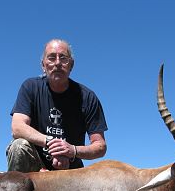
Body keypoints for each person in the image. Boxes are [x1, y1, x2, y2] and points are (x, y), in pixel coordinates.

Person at [6, 39, 108, 172]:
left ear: (71, 65)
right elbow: (17, 128)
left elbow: (100, 146)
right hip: (36, 169)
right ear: (43, 65)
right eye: (51, 58)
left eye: (63, 58)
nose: (58, 63)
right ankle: (19, 188)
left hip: (70, 172)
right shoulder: (30, 87)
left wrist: (73, 150)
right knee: (18, 146)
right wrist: (50, 142)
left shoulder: (88, 97)